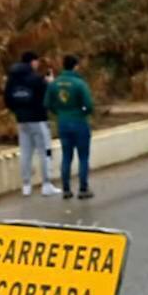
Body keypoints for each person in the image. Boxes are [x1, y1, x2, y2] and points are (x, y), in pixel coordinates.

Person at [3, 51, 62, 197]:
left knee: (26, 152)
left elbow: (7, 99)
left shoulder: (12, 79)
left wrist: (18, 111)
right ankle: (47, 184)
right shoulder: (36, 79)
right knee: (45, 152)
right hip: (38, 119)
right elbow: (47, 98)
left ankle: (26, 185)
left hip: (22, 120)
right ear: (32, 62)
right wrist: (50, 84)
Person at [46, 54, 95, 200]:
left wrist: (59, 112)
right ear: (76, 66)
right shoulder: (79, 83)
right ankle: (83, 188)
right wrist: (83, 112)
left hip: (63, 122)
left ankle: (66, 189)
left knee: (67, 156)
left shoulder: (55, 84)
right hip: (79, 122)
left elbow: (48, 104)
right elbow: (89, 105)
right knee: (83, 157)